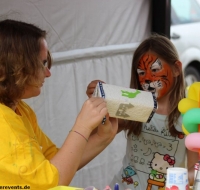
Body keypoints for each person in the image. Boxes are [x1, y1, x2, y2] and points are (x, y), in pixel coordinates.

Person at [0, 19, 118, 189]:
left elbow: (54, 161)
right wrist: (82, 126)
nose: (48, 73)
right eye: (42, 64)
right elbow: (52, 181)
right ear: (16, 67)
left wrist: (102, 136)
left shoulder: (19, 109)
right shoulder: (3, 123)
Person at [86, 34, 198, 190]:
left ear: (177, 69)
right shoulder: (133, 105)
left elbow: (195, 168)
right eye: (141, 73)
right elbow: (93, 139)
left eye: (155, 70)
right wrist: (100, 100)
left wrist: (178, 180)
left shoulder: (190, 114)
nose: (148, 79)